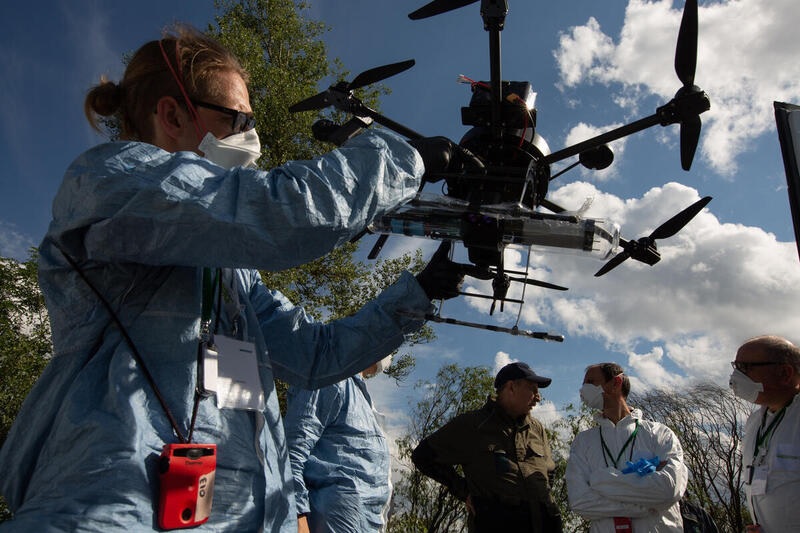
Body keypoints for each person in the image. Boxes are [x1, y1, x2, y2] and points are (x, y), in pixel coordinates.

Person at [0, 24, 471, 532]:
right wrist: (410, 157)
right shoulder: (107, 182)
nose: (252, 137)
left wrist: (418, 293)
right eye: (238, 118)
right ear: (173, 114)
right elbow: (283, 214)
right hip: (112, 507)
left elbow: (315, 356)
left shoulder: (229, 279)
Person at [411, 361, 563, 532]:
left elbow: (549, 472)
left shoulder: (537, 428)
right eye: (533, 389)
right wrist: (464, 492)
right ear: (511, 387)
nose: (538, 397)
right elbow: (423, 456)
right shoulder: (473, 424)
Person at [565, 362, 688, 532]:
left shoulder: (660, 434)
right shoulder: (584, 442)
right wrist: (644, 507)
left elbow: (668, 490)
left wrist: (601, 481)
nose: (583, 390)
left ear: (616, 383)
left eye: (591, 382)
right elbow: (580, 501)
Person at [284, 356, 394, 533]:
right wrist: (297, 517)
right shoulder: (332, 379)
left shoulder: (364, 401)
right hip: (331, 521)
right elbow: (291, 451)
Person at [730, 335, 800, 533]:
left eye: (745, 367)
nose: (736, 377)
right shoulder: (755, 422)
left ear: (785, 373)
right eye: (735, 367)